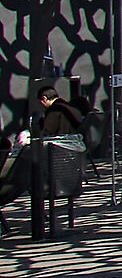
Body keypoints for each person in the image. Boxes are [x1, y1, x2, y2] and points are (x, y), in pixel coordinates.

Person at [22, 81, 90, 240]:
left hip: (55, 164)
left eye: (41, 101)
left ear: (44, 98)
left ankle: (40, 221)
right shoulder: (72, 110)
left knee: (31, 175)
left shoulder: (54, 112)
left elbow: (45, 133)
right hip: (72, 164)